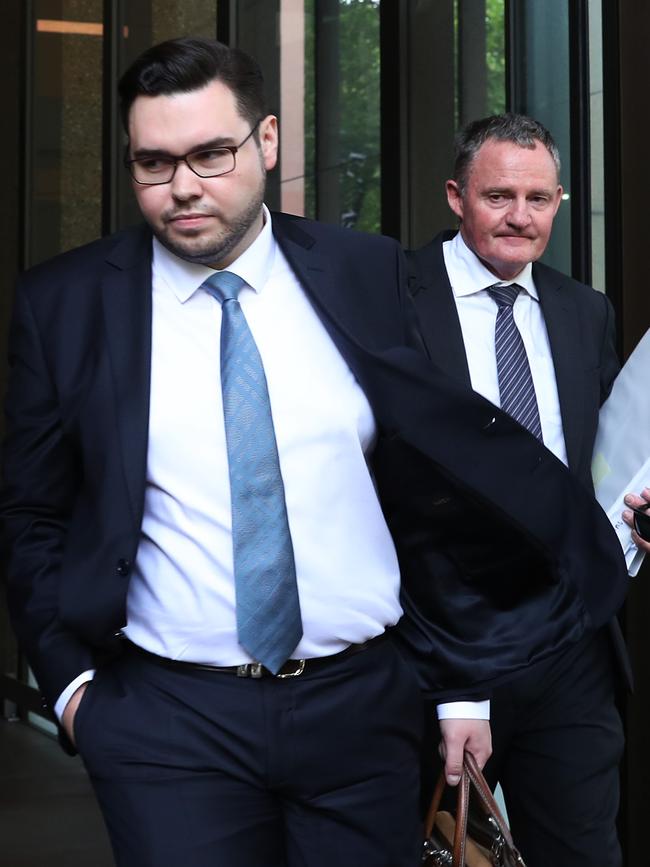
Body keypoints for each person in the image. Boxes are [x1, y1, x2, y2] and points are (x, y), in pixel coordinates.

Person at [0, 43, 628, 867]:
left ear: (265, 143)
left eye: (210, 154)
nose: (183, 185)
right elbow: (32, 510)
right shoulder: (67, 303)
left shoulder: (365, 272)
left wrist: (445, 682)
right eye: (153, 162)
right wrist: (77, 693)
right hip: (168, 717)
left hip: (365, 709)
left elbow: (430, 488)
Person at [406, 112, 643, 867]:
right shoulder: (392, 298)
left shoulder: (583, 311)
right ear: (456, 196)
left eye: (539, 199)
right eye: (498, 195)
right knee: (429, 849)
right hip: (438, 646)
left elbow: (604, 464)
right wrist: (457, 684)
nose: (520, 217)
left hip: (571, 646)